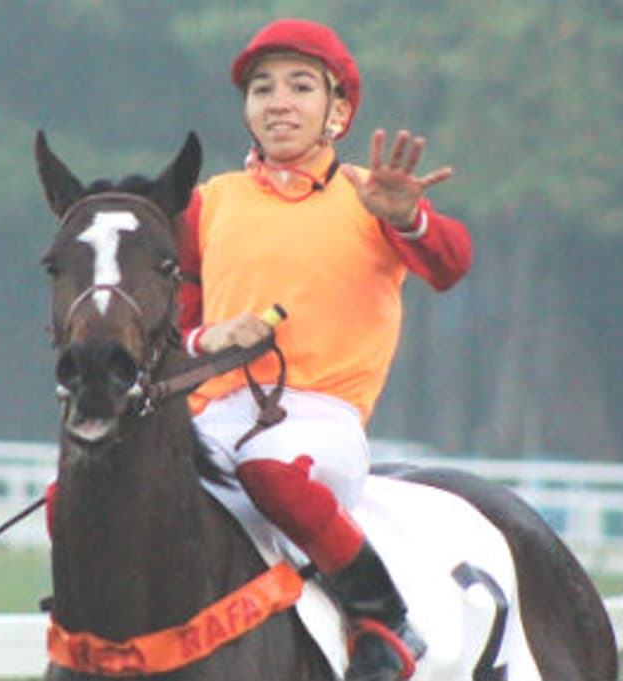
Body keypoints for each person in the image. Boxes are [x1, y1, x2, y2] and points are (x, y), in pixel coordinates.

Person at [177, 17, 473, 680]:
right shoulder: (207, 202)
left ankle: (383, 619)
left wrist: (409, 218)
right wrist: (208, 337)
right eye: (262, 88)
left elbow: (451, 264)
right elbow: (175, 327)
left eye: (300, 86)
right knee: (81, 488)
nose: (278, 101)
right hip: (212, 413)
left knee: (272, 473)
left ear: (337, 110)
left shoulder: (372, 194)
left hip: (319, 417)